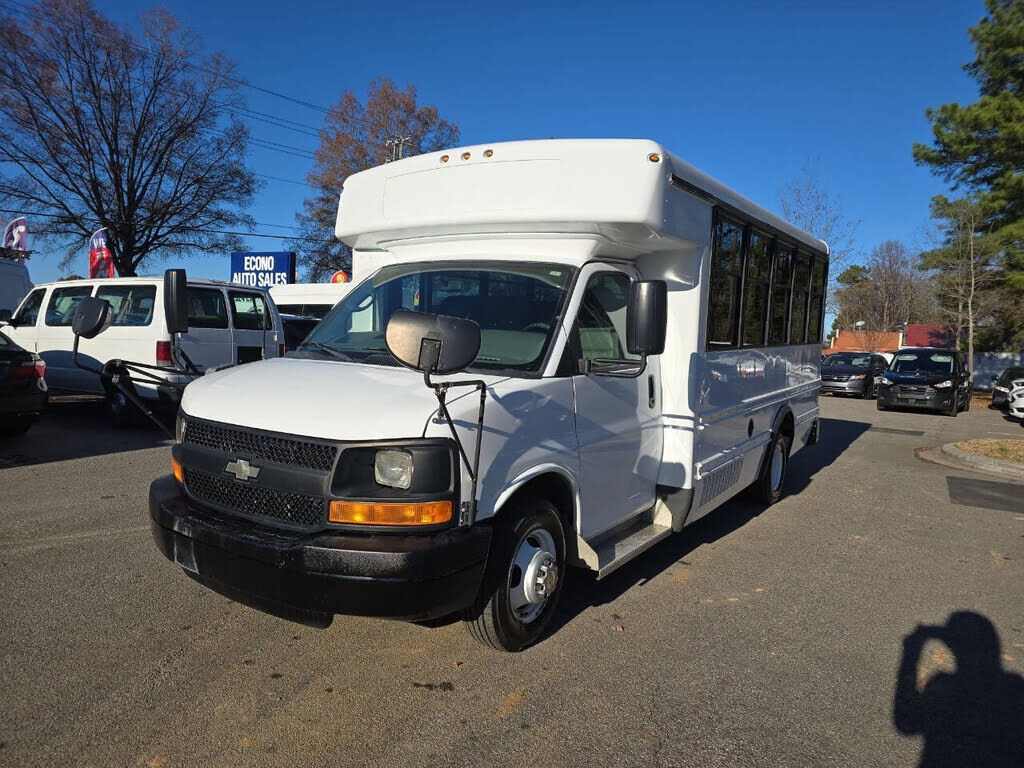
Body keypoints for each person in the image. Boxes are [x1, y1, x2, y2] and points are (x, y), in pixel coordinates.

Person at [893, 612, 1024, 767]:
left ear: (952, 645)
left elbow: (906, 722)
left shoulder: (944, 687)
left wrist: (911, 653)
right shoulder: (1014, 688)